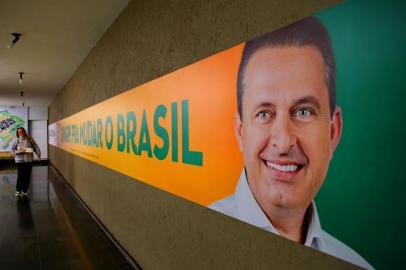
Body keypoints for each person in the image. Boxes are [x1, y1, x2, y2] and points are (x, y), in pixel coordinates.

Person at [209, 16, 373, 269]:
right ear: (241, 132)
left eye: (304, 111)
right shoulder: (191, 243)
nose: (284, 142)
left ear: (333, 132)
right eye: (264, 114)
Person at [11, 127, 41, 197]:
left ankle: (25, 190)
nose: (21, 133)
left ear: (24, 131)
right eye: (19, 132)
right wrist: (18, 152)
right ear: (18, 133)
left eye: (22, 131)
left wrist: (38, 155)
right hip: (19, 160)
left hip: (28, 160)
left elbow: (36, 147)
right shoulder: (16, 140)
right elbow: (12, 150)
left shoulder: (29, 139)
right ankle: (18, 190)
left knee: (27, 176)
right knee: (20, 175)